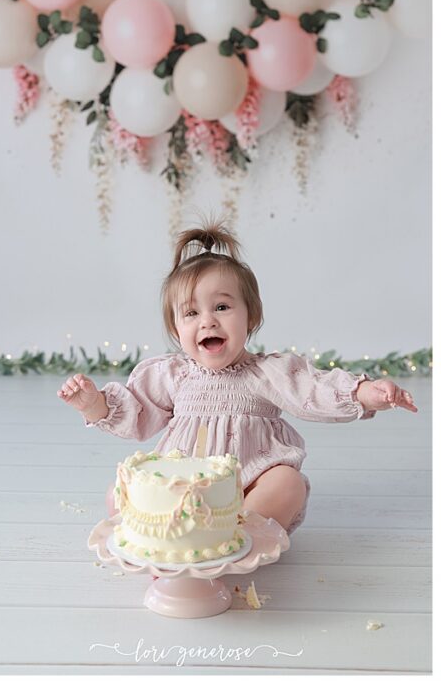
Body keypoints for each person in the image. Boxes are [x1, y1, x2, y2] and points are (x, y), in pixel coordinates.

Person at [58, 220, 417, 534]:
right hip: (183, 488)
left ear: (251, 316)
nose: (207, 321)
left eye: (222, 307)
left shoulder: (267, 372)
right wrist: (93, 404)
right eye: (191, 313)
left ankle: (235, 539)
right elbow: (136, 412)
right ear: (175, 327)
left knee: (288, 483)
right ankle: (169, 540)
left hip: (248, 486)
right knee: (118, 493)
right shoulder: (173, 374)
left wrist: (367, 392)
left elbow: (314, 390)